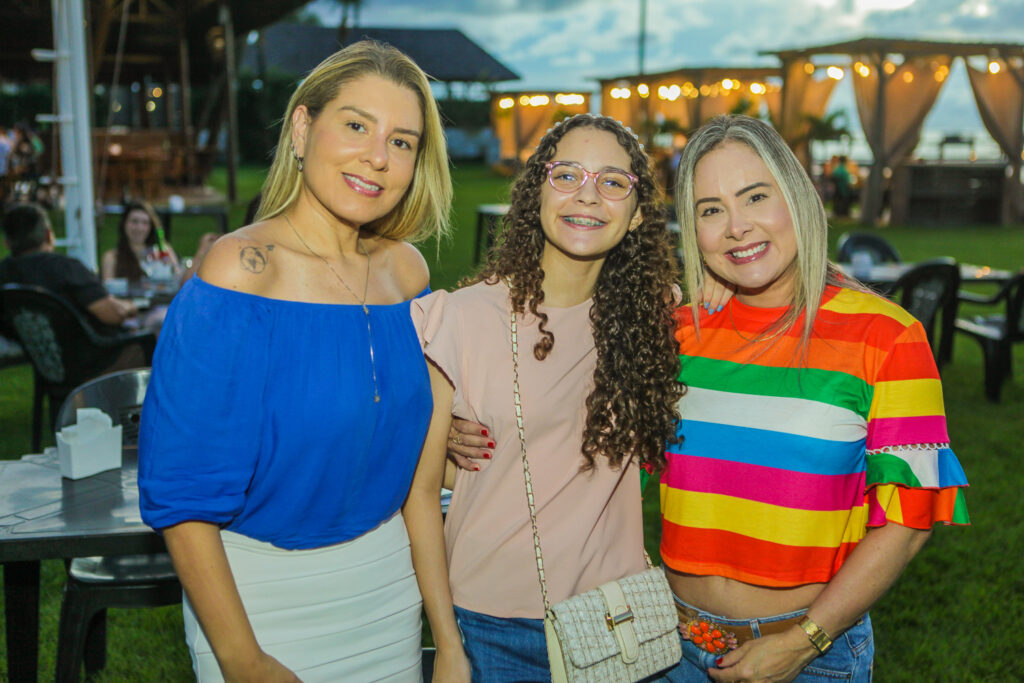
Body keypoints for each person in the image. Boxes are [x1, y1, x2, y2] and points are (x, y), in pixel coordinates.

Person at [137, 40, 451, 682]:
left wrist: (454, 434)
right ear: (304, 129)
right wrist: (240, 657)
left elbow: (392, 432)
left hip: (388, 583)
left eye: (402, 141)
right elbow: (182, 492)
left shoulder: (407, 274)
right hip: (258, 597)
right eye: (357, 125)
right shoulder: (240, 274)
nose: (377, 156)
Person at [660, 115, 969, 682]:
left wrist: (802, 643)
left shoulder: (888, 336)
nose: (736, 227)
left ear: (797, 196)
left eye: (755, 196)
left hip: (808, 659)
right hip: (672, 648)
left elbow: (907, 523)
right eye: (710, 209)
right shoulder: (679, 330)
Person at [404, 113, 685, 682]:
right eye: (568, 175)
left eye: (612, 182)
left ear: (636, 218)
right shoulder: (459, 320)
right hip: (489, 625)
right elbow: (419, 492)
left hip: (617, 618)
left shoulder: (654, 316)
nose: (588, 195)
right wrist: (448, 645)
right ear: (537, 194)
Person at [0, 202, 139, 334]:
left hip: (34, 354)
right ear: (48, 235)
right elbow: (112, 315)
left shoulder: (4, 273)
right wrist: (128, 307)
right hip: (92, 352)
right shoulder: (66, 268)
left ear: (7, 243)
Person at [101, 201, 180, 282]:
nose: (139, 228)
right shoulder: (112, 258)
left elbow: (177, 278)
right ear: (124, 224)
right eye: (134, 221)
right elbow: (108, 289)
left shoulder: (163, 251)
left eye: (145, 223)